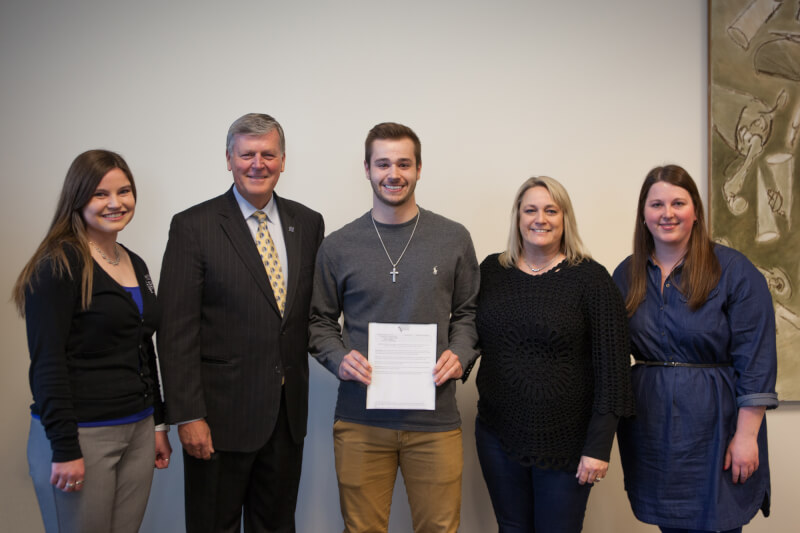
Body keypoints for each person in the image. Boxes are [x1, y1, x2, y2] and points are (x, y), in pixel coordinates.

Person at [309, 122, 479, 533]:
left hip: (435, 420)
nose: (393, 173)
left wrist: (459, 354)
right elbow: (318, 321)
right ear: (367, 169)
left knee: (439, 529)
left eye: (404, 163)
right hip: (360, 420)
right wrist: (338, 358)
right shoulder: (338, 245)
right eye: (383, 163)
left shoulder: (453, 238)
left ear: (419, 169)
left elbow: (469, 313)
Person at [158, 113, 324, 533]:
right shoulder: (193, 226)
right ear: (229, 159)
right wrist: (188, 415)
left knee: (277, 526)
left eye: (268, 154)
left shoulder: (308, 223)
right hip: (218, 420)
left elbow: (308, 315)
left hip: (286, 419)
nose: (257, 164)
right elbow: (176, 331)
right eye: (247, 154)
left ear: (283, 160)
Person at [612, 164, 778, 533]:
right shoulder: (626, 275)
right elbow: (607, 352)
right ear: (643, 214)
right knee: (670, 524)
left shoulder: (734, 271)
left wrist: (746, 437)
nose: (667, 213)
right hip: (650, 428)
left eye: (678, 203)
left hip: (716, 426)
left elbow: (757, 359)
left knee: (718, 521)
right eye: (656, 204)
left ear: (696, 211)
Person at [13, 149, 171, 533]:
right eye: (101, 194)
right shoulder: (58, 265)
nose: (115, 203)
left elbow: (142, 345)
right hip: (82, 436)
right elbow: (47, 363)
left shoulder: (133, 262)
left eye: (124, 191)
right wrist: (65, 448)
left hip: (138, 429)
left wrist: (158, 422)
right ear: (78, 198)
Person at [475, 176, 635, 532]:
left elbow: (614, 371)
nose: (540, 219)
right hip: (498, 433)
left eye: (551, 210)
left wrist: (598, 447)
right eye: (530, 210)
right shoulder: (491, 272)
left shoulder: (592, 280)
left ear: (565, 218)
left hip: (568, 441)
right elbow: (469, 333)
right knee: (511, 527)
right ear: (517, 217)